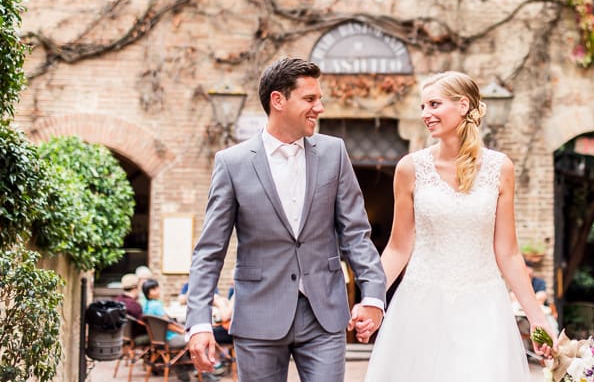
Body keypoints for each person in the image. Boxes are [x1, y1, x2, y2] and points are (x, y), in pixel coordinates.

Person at [185, 57, 387, 382]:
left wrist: (373, 296)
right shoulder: (232, 163)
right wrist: (198, 322)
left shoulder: (334, 153)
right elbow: (210, 251)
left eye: (319, 99)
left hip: (324, 314)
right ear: (278, 100)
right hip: (258, 315)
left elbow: (356, 235)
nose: (319, 107)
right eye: (310, 99)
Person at [358, 71, 556, 381]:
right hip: (422, 305)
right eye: (423, 107)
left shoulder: (500, 168)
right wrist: (371, 299)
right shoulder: (410, 169)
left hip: (483, 305)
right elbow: (397, 248)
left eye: (434, 104)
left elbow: (508, 252)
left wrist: (536, 317)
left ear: (463, 106)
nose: (426, 114)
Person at [142, 279, 215, 382]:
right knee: (200, 341)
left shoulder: (147, 304)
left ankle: (184, 372)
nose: (158, 290)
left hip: (158, 339)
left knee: (189, 337)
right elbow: (168, 325)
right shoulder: (156, 305)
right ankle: (205, 374)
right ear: (148, 293)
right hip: (169, 339)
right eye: (154, 289)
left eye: (157, 287)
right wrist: (184, 332)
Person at [114, 273, 148, 344]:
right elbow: (143, 325)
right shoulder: (134, 305)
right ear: (136, 287)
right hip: (135, 337)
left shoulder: (117, 300)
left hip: (119, 335)